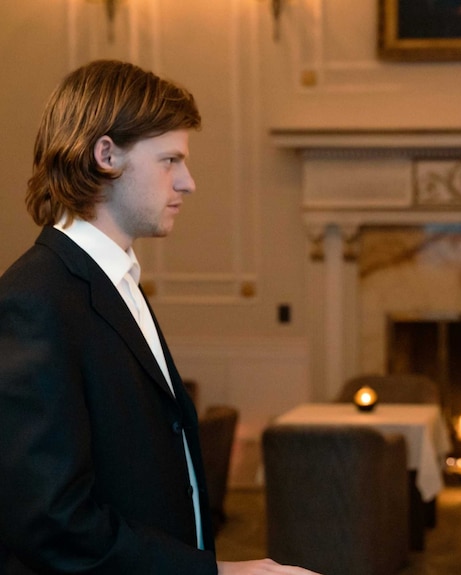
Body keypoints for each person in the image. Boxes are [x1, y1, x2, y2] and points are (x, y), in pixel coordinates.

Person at [0, 60, 319, 575]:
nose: (188, 183)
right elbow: (52, 523)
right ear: (106, 156)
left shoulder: (116, 281)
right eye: (169, 159)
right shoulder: (34, 301)